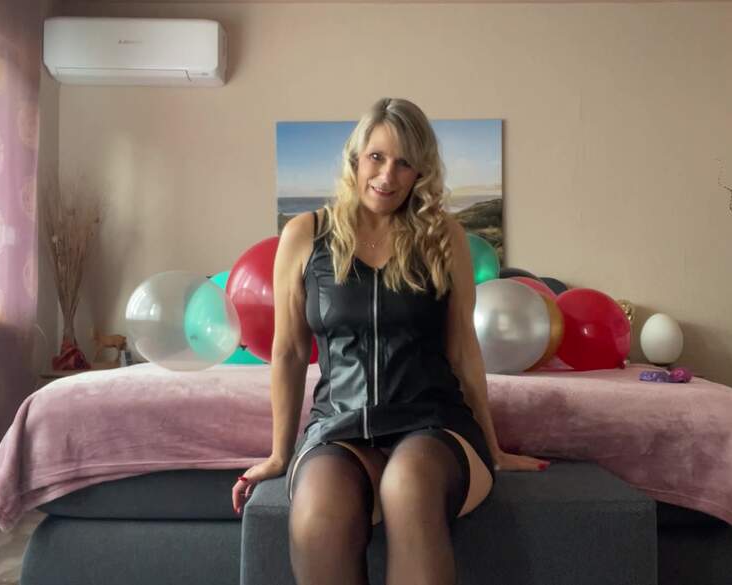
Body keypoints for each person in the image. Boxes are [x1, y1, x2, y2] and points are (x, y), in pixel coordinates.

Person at [231, 97, 550, 585]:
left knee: (409, 485)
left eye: (404, 162)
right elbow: (290, 351)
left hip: (433, 423)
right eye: (376, 157)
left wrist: (493, 445)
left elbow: (463, 350)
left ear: (421, 172)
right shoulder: (305, 234)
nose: (387, 175)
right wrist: (278, 454)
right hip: (340, 425)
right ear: (355, 159)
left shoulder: (443, 237)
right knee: (318, 513)